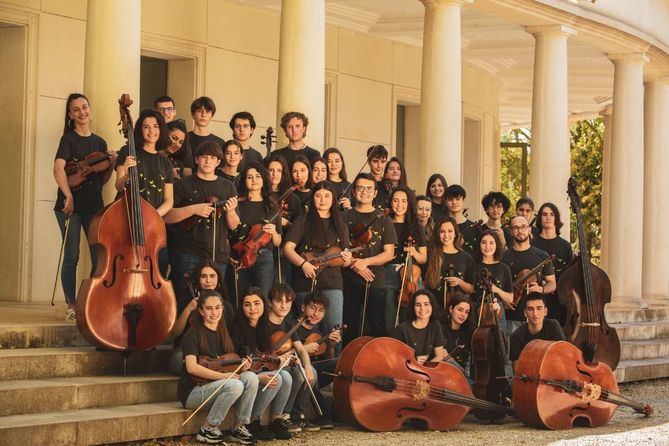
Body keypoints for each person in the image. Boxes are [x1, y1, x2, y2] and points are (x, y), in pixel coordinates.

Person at [53, 93, 116, 321]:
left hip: (94, 206)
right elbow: (59, 169)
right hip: (70, 206)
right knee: (71, 256)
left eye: (84, 107)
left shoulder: (100, 142)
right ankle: (71, 304)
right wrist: (68, 196)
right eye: (76, 109)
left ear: (90, 109)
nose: (82, 112)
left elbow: (103, 179)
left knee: (97, 255)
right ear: (71, 115)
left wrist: (112, 163)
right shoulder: (68, 140)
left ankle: (87, 300)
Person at [164, 141, 239, 313]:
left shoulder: (228, 187)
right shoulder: (182, 184)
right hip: (187, 252)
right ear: (197, 159)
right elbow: (167, 217)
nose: (207, 161)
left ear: (218, 162)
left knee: (214, 302)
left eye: (212, 158)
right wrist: (193, 209)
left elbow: (233, 226)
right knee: (185, 298)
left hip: (217, 253)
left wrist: (231, 211)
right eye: (204, 157)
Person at [177, 290, 258, 445]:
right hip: (192, 391)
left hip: (214, 386)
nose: (214, 312)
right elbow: (192, 368)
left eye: (217, 307)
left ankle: (238, 426)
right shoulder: (192, 334)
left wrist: (242, 367)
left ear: (222, 308)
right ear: (200, 311)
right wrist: (224, 377)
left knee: (251, 378)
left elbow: (223, 366)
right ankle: (208, 427)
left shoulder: (223, 333)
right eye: (209, 308)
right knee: (234, 385)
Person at [283, 181, 352, 334]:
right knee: (306, 332)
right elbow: (287, 249)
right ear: (312, 198)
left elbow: (345, 262)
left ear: (333, 199)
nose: (322, 200)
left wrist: (347, 258)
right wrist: (303, 264)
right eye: (318, 196)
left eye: (327, 196)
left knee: (333, 332)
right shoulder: (303, 220)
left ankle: (333, 359)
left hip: (332, 283)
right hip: (304, 281)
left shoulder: (340, 224)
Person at [229, 288, 294, 440]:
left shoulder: (265, 326)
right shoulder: (236, 327)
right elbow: (238, 359)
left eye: (257, 303)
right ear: (242, 307)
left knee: (286, 376)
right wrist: (261, 374)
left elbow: (266, 354)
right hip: (244, 371)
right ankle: (253, 420)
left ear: (264, 305)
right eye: (247, 304)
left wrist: (279, 359)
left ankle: (276, 420)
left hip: (259, 369)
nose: (253, 309)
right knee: (274, 379)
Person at [342, 173, 397, 344]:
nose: (364, 192)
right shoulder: (344, 217)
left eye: (369, 189)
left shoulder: (383, 219)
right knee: (351, 327)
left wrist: (365, 262)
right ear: (353, 192)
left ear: (375, 193)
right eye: (360, 188)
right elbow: (339, 249)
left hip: (376, 280)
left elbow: (389, 252)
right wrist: (355, 265)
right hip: (349, 279)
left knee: (378, 328)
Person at [264, 284, 318, 432]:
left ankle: (289, 415)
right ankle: (282, 416)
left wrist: (307, 366)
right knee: (294, 375)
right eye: (278, 301)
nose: (283, 306)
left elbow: (300, 348)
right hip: (270, 365)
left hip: (285, 363)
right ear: (270, 302)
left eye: (287, 302)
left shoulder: (289, 322)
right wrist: (281, 357)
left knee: (310, 371)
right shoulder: (264, 322)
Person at [168, 260, 235, 376]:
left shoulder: (226, 306)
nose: (208, 281)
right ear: (198, 279)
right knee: (178, 361)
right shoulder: (187, 300)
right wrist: (188, 309)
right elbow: (174, 333)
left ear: (218, 279)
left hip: (214, 353)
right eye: (204, 276)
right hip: (188, 351)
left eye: (212, 276)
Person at [232, 163, 282, 300]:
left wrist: (274, 233)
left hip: (264, 258)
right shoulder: (238, 204)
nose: (254, 180)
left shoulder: (272, 206)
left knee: (262, 299)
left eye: (258, 176)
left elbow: (278, 243)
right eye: (249, 177)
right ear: (244, 180)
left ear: (264, 179)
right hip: (240, 257)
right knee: (239, 299)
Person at [502, 215, 556, 339]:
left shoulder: (542, 256)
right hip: (511, 317)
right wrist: (504, 298)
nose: (520, 231)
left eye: (523, 227)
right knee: (512, 355)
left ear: (529, 229)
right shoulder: (503, 257)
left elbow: (552, 284)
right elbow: (498, 285)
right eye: (515, 228)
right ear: (510, 231)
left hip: (536, 318)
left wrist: (541, 289)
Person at [295, 291, 343, 428]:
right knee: (312, 372)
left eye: (321, 310)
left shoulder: (318, 330)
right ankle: (321, 415)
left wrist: (331, 346)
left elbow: (327, 360)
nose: (316, 314)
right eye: (313, 308)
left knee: (339, 362)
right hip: (298, 370)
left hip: (314, 371)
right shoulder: (293, 326)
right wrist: (304, 350)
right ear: (303, 308)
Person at [115, 108, 174, 215]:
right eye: (146, 127)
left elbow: (169, 201)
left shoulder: (166, 164)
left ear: (161, 130)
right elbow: (119, 186)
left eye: (156, 126)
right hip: (126, 215)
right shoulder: (127, 151)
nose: (151, 131)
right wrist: (126, 176)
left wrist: (154, 216)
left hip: (152, 220)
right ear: (140, 130)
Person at [385, 186, 427, 332]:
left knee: (412, 318)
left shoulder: (416, 227)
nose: (399, 205)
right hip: (388, 274)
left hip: (411, 277)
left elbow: (423, 259)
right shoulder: (385, 223)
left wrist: (414, 252)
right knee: (389, 318)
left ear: (409, 204)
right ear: (390, 203)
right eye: (395, 201)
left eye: (404, 201)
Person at [531, 202, 574, 325]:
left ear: (556, 218)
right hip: (537, 297)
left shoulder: (565, 246)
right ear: (540, 218)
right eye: (544, 214)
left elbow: (569, 275)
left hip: (559, 299)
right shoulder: (533, 243)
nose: (548, 217)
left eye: (552, 214)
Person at [423, 216, 475, 313]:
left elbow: (471, 289)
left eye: (450, 231)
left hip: (457, 310)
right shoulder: (430, 255)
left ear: (455, 234)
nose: (446, 235)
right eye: (442, 231)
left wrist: (459, 282)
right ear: (438, 234)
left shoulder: (466, 257)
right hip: (433, 308)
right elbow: (424, 284)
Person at [265, 154, 302, 286]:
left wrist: (285, 223)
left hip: (283, 251)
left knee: (281, 288)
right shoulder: (260, 194)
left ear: (284, 173)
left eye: (279, 171)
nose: (275, 174)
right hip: (261, 248)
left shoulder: (293, 198)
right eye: (270, 170)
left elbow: (299, 229)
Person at [509, 293, 566, 368]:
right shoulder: (516, 336)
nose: (535, 314)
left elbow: (564, 356)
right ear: (525, 313)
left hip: (553, 372)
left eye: (539, 308)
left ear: (545, 312)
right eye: (530, 309)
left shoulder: (553, 326)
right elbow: (517, 372)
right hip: (529, 376)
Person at [392, 289, 447, 364]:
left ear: (432, 306)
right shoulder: (401, 330)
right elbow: (394, 359)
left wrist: (425, 369)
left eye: (426, 304)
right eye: (418, 305)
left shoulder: (435, 325)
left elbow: (439, 356)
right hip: (407, 371)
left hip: (427, 371)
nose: (422, 309)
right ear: (413, 308)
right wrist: (413, 361)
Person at [472, 230, 513, 331]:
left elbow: (510, 298)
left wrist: (496, 289)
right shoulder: (473, 265)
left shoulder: (504, 268)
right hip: (476, 308)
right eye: (484, 242)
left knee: (498, 342)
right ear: (479, 245)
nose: (487, 246)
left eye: (491, 243)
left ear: (497, 245)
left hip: (497, 309)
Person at [441, 293, 476, 372]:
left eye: (466, 312)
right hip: (443, 372)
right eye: (460, 310)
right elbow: (443, 354)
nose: (463, 315)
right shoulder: (440, 327)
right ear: (451, 309)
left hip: (461, 375)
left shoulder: (469, 331)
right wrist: (461, 372)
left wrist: (494, 314)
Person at [445, 184, 479, 255]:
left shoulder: (474, 227)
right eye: (450, 199)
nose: (454, 202)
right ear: (446, 202)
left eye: (457, 199)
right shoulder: (440, 226)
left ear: (463, 201)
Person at [366, 145, 391, 210]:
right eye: (375, 161)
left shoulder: (389, 186)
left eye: (383, 161)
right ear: (368, 161)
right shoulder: (362, 183)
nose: (379, 165)